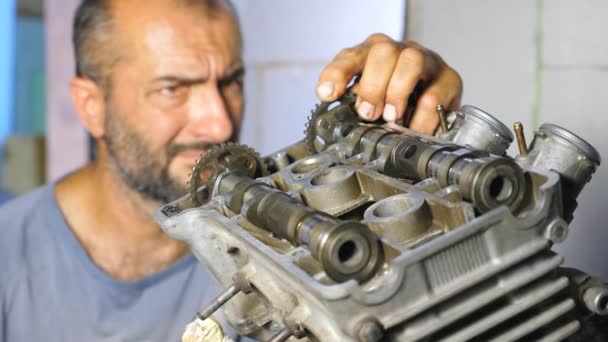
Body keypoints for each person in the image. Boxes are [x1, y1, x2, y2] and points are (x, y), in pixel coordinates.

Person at [0, 0, 462, 341]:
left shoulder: (293, 238)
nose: (220, 123)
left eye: (231, 82)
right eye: (173, 88)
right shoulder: (9, 257)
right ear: (91, 106)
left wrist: (411, 129)